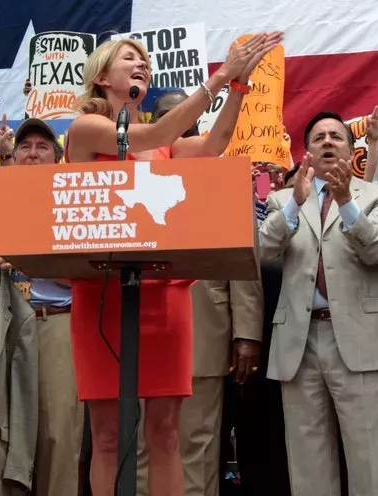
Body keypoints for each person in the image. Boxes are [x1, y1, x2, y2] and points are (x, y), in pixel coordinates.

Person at [64, 31, 281, 496]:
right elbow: (154, 132)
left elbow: (214, 144)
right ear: (102, 77)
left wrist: (238, 86)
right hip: (101, 294)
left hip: (165, 296)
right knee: (106, 434)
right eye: (129, 58)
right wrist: (219, 76)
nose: (141, 63)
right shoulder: (86, 129)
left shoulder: (166, 150)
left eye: (144, 59)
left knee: (165, 433)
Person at [259, 111, 378, 496]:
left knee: (369, 457)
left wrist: (344, 202)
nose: (327, 142)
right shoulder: (281, 200)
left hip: (358, 340)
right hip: (298, 344)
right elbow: (263, 249)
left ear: (351, 150)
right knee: (308, 462)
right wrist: (294, 206)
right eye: (318, 137)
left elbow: (376, 250)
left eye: (336, 137)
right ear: (306, 152)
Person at [150, 89, 264, 496]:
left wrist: (246, 332)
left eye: (186, 115)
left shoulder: (224, 178)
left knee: (196, 443)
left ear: (200, 124)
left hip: (205, 333)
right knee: (147, 447)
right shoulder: (134, 176)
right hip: (141, 331)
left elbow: (245, 262)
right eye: (166, 116)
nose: (178, 121)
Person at [4, 117, 85, 496]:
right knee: (7, 434)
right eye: (25, 147)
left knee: (58, 433)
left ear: (58, 157)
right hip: (4, 325)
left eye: (42, 147)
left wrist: (32, 257)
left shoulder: (76, 200)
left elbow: (83, 276)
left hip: (55, 322)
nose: (32, 154)